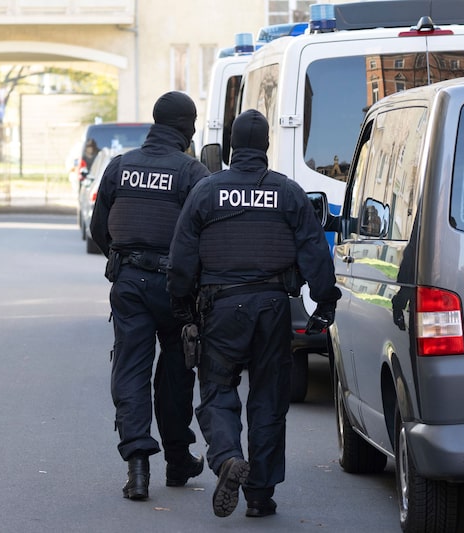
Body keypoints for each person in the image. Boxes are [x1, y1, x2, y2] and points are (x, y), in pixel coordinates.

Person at [167, 109, 341, 518]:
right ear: (265, 146)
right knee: (268, 399)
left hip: (221, 307)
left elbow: (181, 257)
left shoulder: (207, 191)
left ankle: (227, 455)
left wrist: (181, 304)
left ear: (231, 147)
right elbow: (315, 252)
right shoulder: (288, 192)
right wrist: (325, 301)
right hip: (273, 308)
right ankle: (260, 495)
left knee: (216, 389)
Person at [90, 91, 210, 501]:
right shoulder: (193, 173)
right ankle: (177, 460)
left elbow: (99, 230)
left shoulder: (119, 167)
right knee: (177, 375)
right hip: (176, 289)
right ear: (188, 127)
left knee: (131, 371)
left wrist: (126, 264)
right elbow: (204, 238)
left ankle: (137, 469)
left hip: (129, 283)